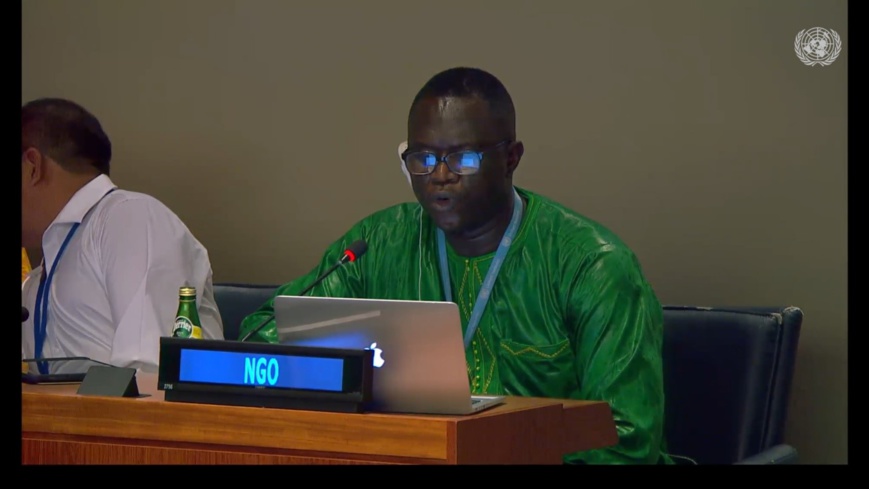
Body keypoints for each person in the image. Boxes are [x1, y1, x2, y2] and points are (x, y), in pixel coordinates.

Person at [239, 67, 671, 464]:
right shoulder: (379, 244)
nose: (439, 176)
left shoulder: (591, 265)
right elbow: (264, 332)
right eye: (422, 159)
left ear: (511, 158)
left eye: (463, 158)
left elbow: (626, 439)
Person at [21, 97, 223, 373]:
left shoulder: (130, 218)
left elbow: (149, 373)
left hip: (132, 417)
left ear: (32, 166)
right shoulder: (38, 278)